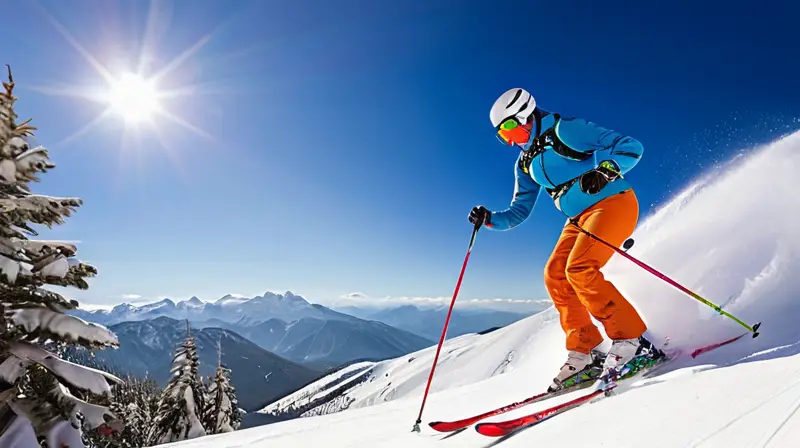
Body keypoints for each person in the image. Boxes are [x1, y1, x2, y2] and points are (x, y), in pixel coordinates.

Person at [469, 87, 654, 391]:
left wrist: (607, 170)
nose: (511, 139)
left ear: (526, 115)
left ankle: (633, 341)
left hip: (613, 202)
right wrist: (489, 218)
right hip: (578, 219)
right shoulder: (524, 163)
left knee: (579, 268)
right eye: (503, 136)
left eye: (511, 128)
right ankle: (588, 351)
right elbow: (518, 212)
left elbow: (630, 145)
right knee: (555, 275)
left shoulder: (565, 130)